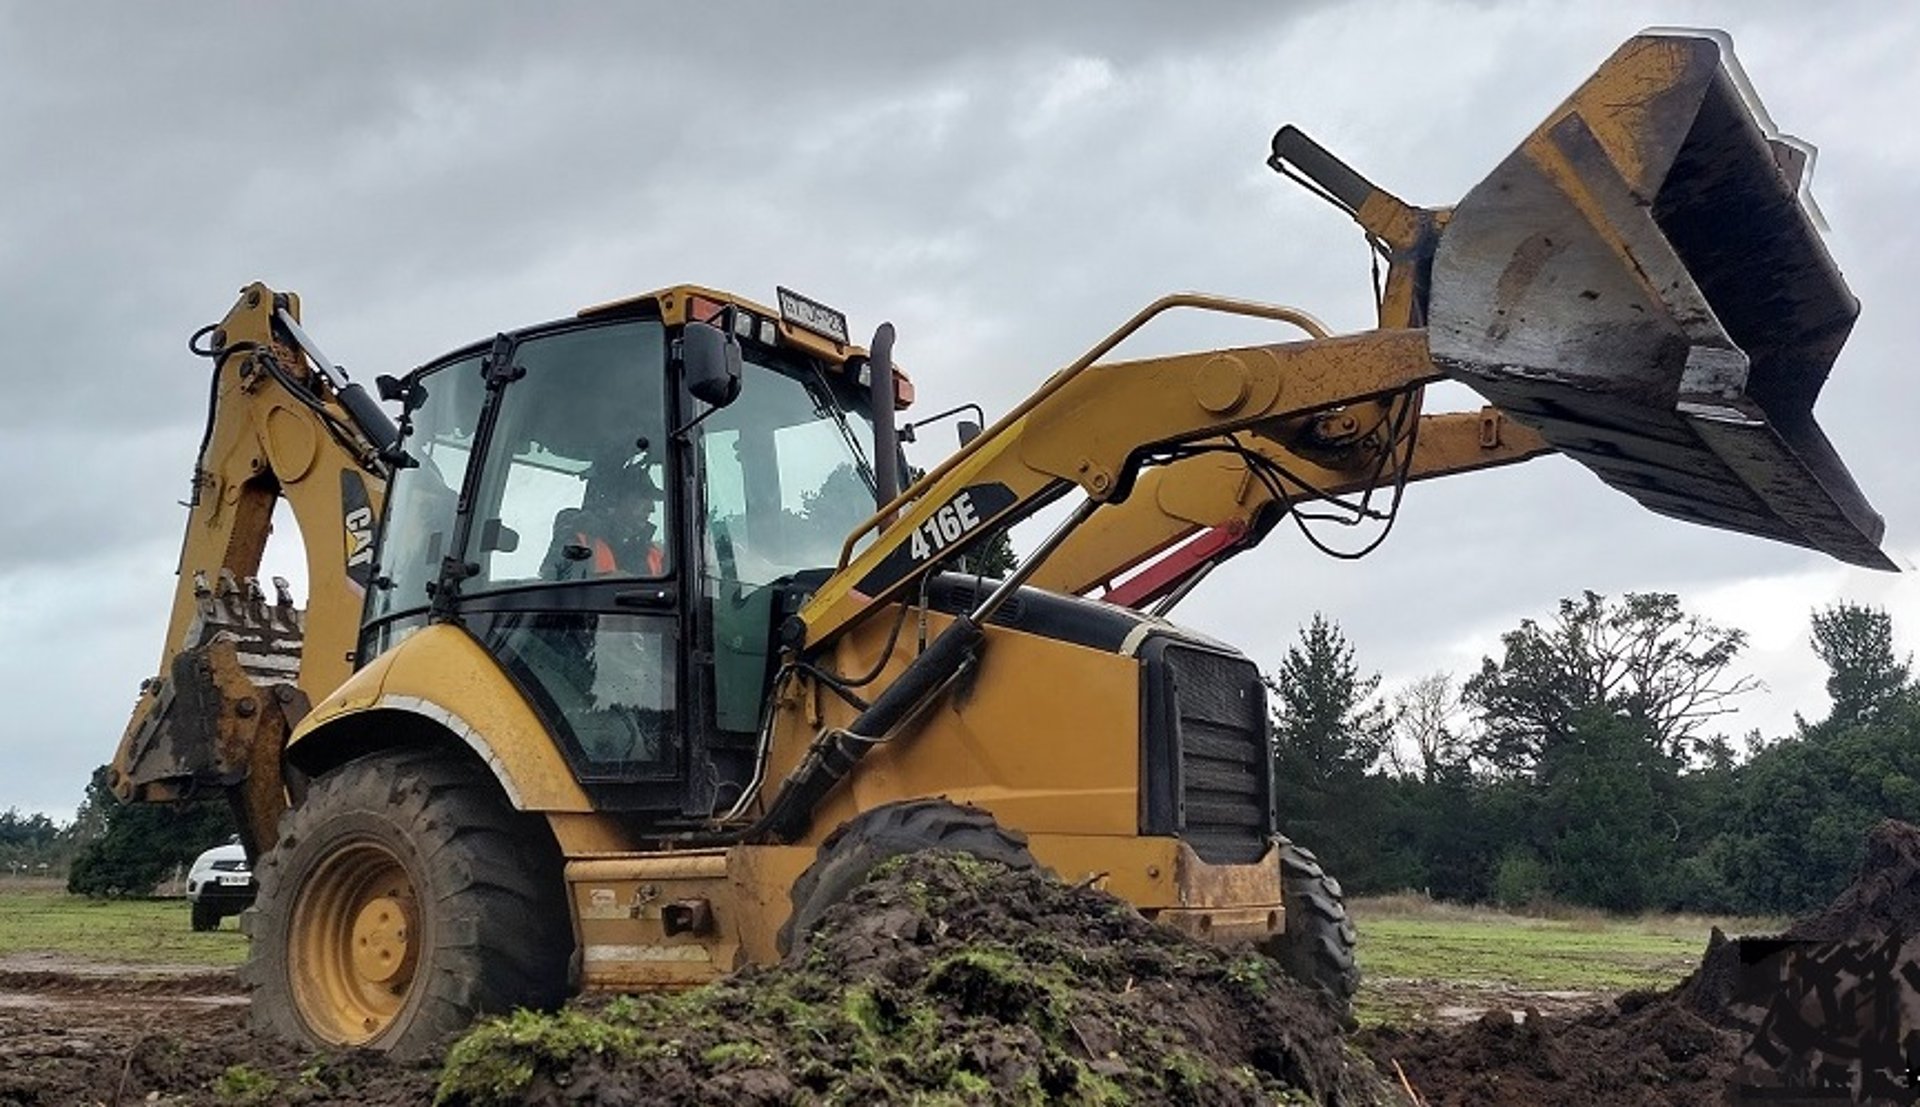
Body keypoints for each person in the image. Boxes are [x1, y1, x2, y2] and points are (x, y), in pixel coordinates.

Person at [546, 457, 667, 579]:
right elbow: (556, 586)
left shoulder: (655, 553)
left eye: (651, 500)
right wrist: (609, 583)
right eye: (642, 499)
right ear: (614, 501)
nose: (652, 508)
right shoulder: (579, 540)